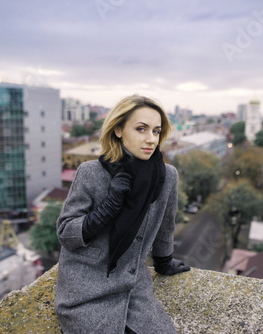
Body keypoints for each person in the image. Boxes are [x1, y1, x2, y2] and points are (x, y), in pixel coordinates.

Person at [55, 94, 190, 333]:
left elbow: (165, 225)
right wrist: (107, 208)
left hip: (132, 285)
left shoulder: (166, 176)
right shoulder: (91, 172)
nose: (150, 139)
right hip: (86, 287)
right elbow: (66, 233)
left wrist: (164, 261)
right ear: (118, 130)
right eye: (141, 129)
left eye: (156, 131)